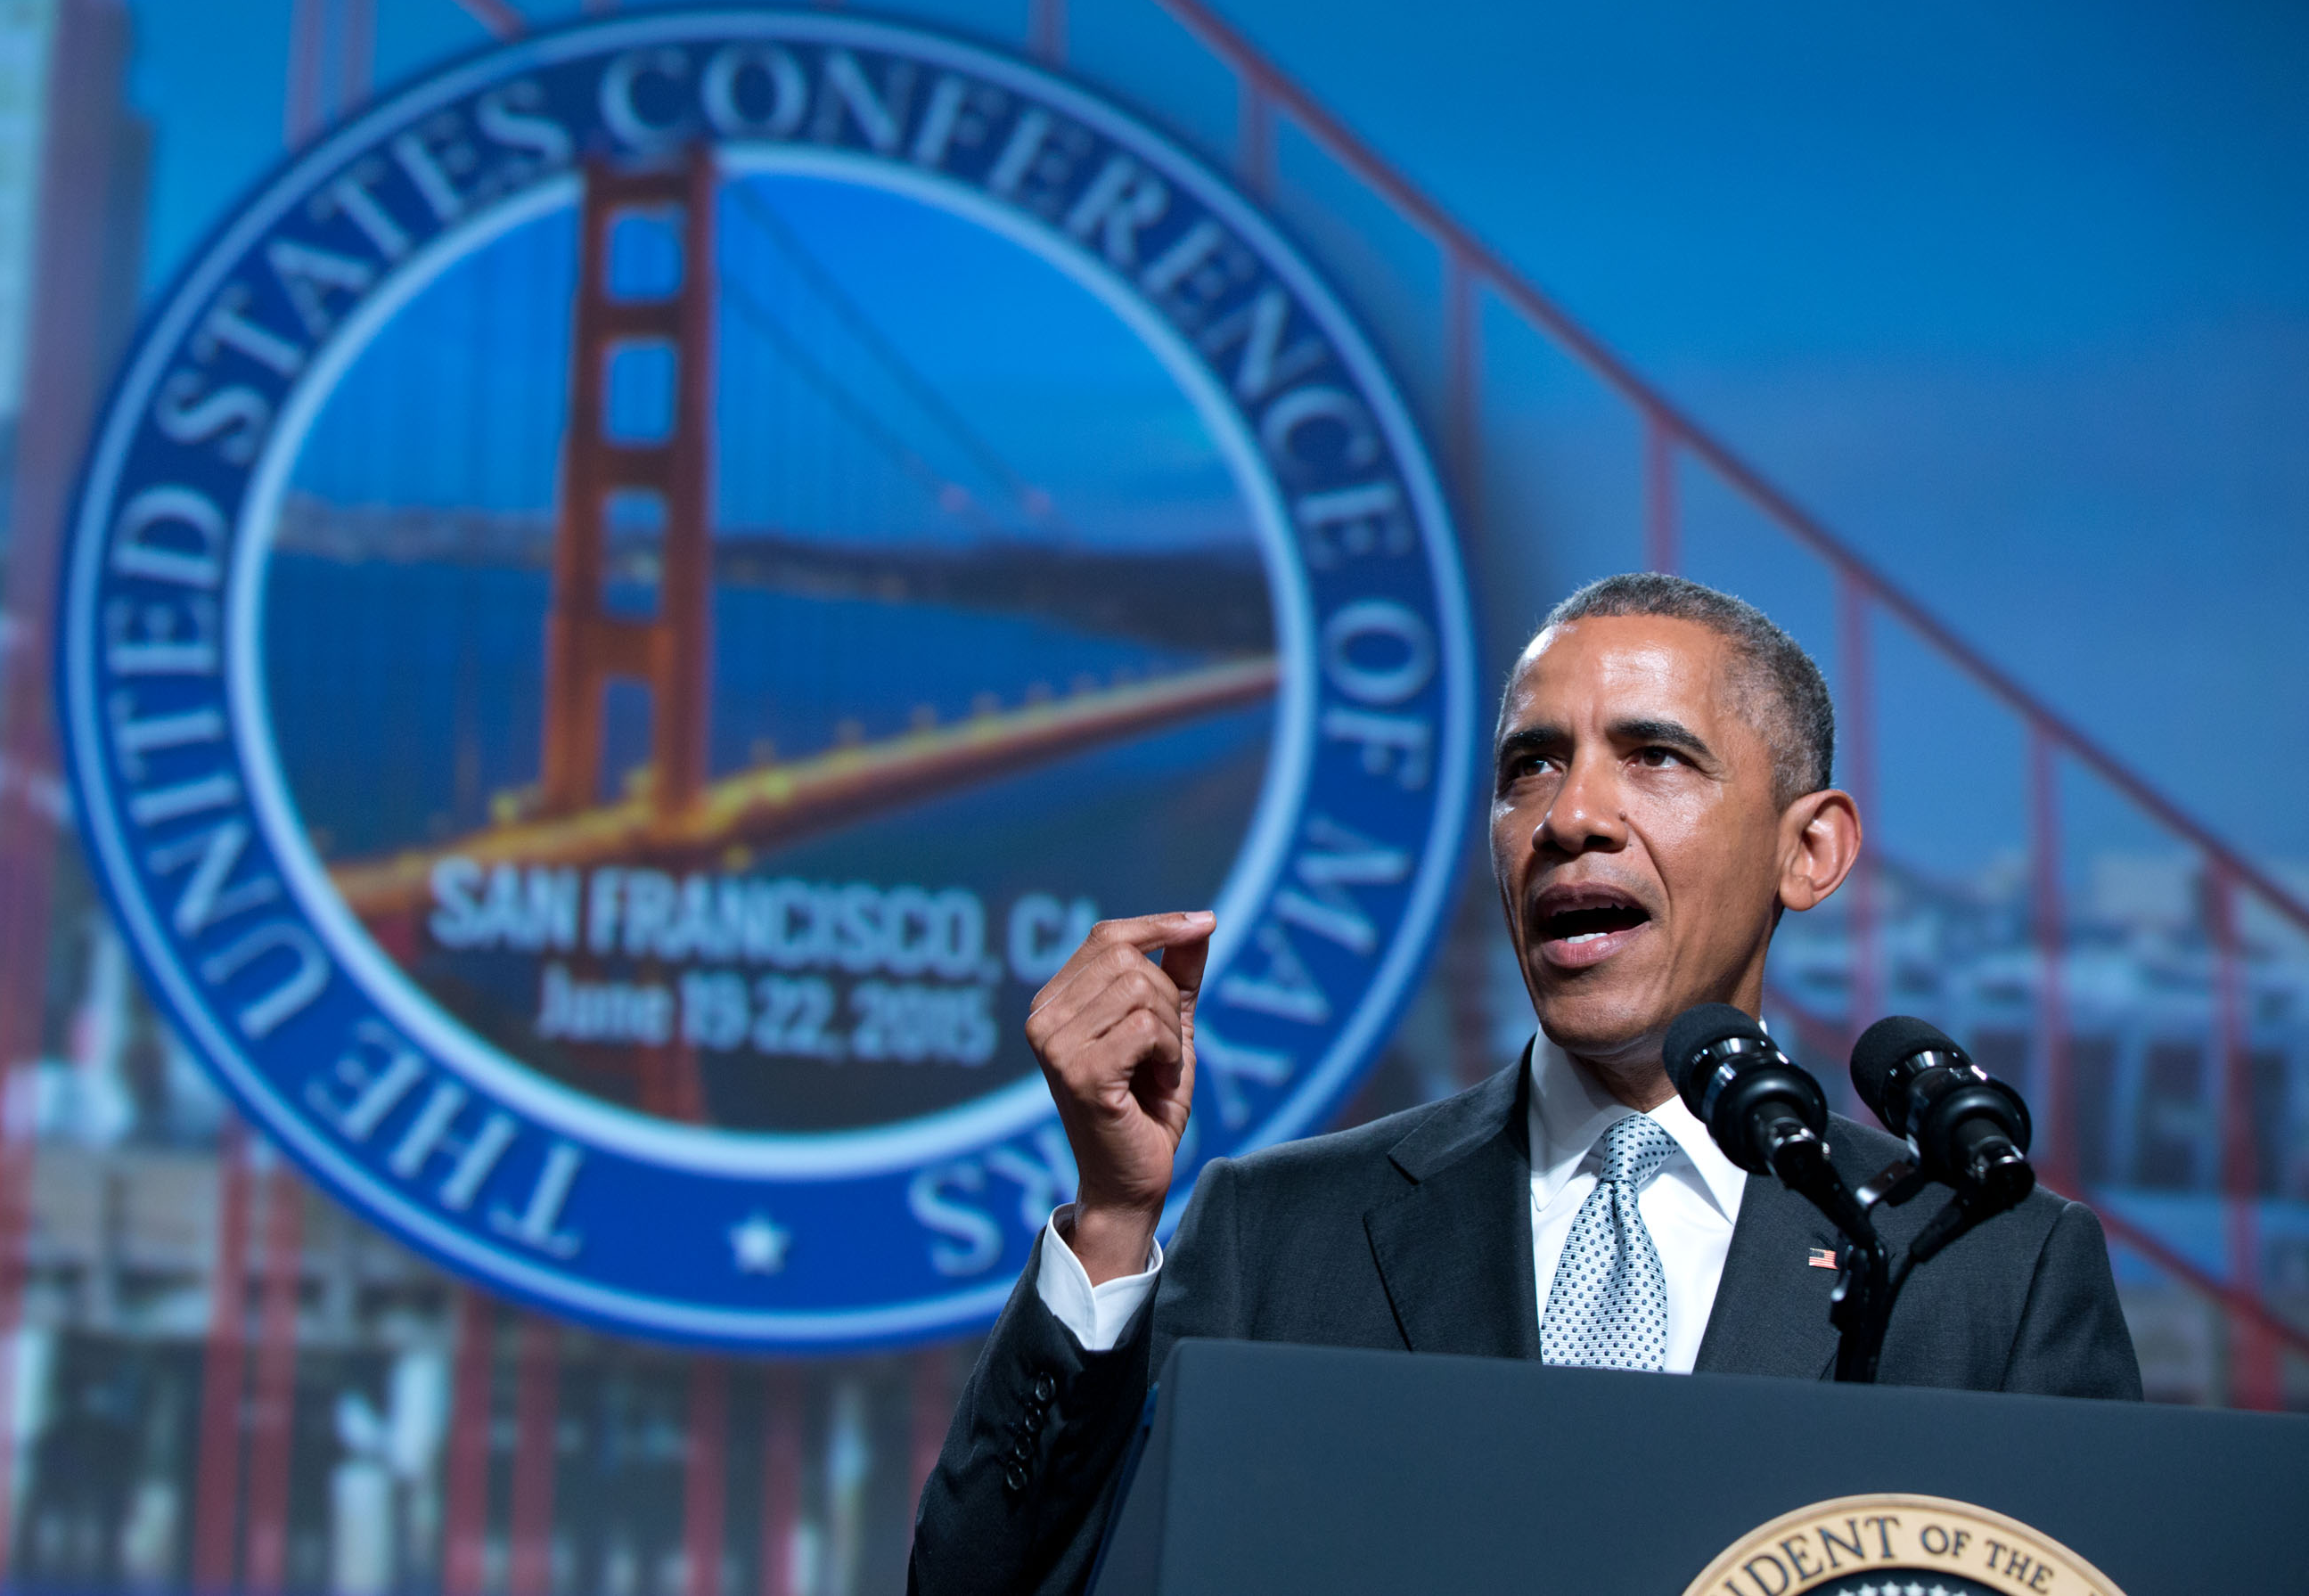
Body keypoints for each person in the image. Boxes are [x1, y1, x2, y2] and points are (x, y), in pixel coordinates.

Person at [906, 574, 2140, 1596]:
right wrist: (1117, 1220)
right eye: (1530, 769)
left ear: (1808, 850)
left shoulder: (1988, 1271)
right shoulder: (1280, 1233)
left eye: (1655, 756)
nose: (1572, 817)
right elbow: (995, 1590)